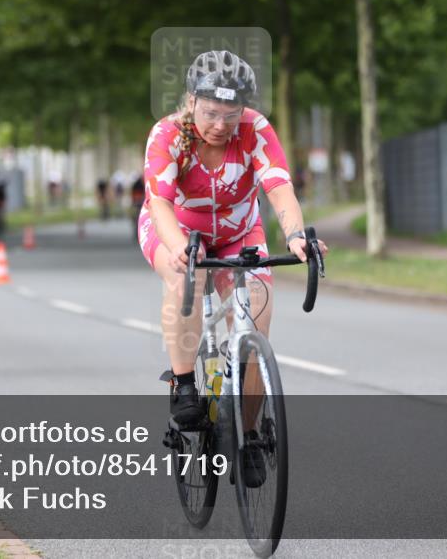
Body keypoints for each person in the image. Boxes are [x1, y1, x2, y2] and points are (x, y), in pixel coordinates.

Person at [138, 49, 328, 444]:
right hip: (175, 228)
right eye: (210, 113)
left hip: (239, 232)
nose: (221, 125)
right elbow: (160, 204)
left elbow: (278, 186)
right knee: (182, 277)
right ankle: (184, 384)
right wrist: (180, 247)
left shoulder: (255, 129)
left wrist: (295, 235)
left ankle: (250, 435)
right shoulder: (168, 133)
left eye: (231, 114)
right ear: (191, 101)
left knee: (256, 320)